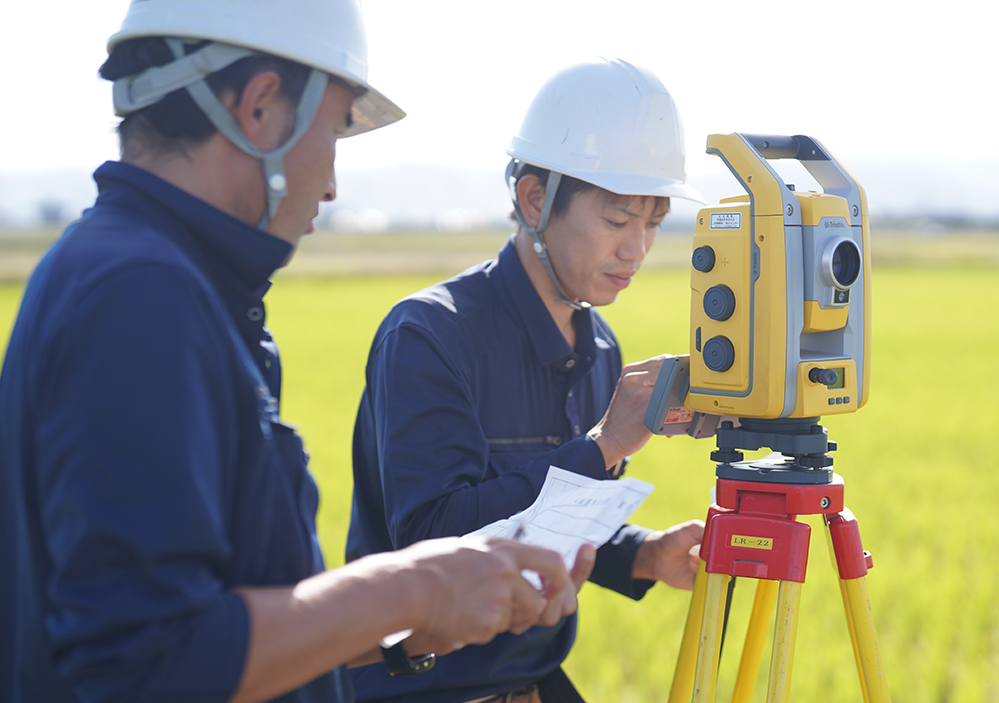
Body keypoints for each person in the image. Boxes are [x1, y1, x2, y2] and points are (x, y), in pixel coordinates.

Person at [0, 2, 593, 702]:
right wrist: (413, 586)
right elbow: (148, 660)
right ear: (259, 108)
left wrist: (417, 613)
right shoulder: (141, 293)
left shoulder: (160, 279)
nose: (334, 183)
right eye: (336, 132)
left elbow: (233, 626)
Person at [347, 57, 708, 703]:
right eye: (618, 219)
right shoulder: (429, 336)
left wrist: (642, 552)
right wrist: (601, 445)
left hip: (531, 684)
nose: (637, 250)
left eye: (652, 222)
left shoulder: (598, 344)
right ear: (534, 199)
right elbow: (435, 536)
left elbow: (555, 520)